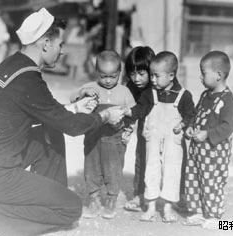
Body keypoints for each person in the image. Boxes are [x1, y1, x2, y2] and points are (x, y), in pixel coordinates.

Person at [0, 8, 125, 236]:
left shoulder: (11, 65)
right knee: (70, 209)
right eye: (60, 45)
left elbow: (42, 112)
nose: (62, 52)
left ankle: (45, 199)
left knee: (51, 134)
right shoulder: (29, 79)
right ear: (45, 43)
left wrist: (73, 108)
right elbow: (71, 126)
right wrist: (105, 115)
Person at [124, 51, 195, 222]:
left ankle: (168, 207)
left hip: (173, 140)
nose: (153, 80)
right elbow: (140, 109)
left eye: (156, 76)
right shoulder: (150, 94)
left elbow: (191, 114)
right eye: (152, 75)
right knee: (151, 169)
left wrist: (185, 124)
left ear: (171, 76)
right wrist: (128, 112)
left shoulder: (184, 95)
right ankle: (150, 206)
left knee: (172, 170)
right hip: (153, 139)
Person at [71, 50, 136, 219]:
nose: (108, 81)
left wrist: (129, 130)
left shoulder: (124, 92)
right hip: (93, 137)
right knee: (92, 168)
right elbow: (73, 98)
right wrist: (82, 94)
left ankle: (111, 200)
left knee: (113, 169)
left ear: (119, 73)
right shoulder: (91, 87)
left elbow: (132, 115)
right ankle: (93, 200)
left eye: (112, 76)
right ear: (96, 72)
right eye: (103, 76)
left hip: (115, 139)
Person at [183, 51, 233, 230]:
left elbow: (228, 126)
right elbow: (196, 114)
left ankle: (213, 215)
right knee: (193, 178)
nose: (200, 76)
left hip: (214, 152)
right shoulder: (205, 95)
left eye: (204, 72)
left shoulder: (228, 101)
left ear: (219, 75)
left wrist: (207, 134)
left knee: (211, 181)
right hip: (197, 149)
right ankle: (197, 210)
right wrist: (191, 126)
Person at [122, 46, 155, 212]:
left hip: (165, 128)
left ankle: (178, 195)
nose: (136, 78)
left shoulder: (160, 83)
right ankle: (139, 194)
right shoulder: (131, 86)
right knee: (141, 159)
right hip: (145, 127)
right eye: (132, 74)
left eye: (141, 73)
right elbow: (126, 107)